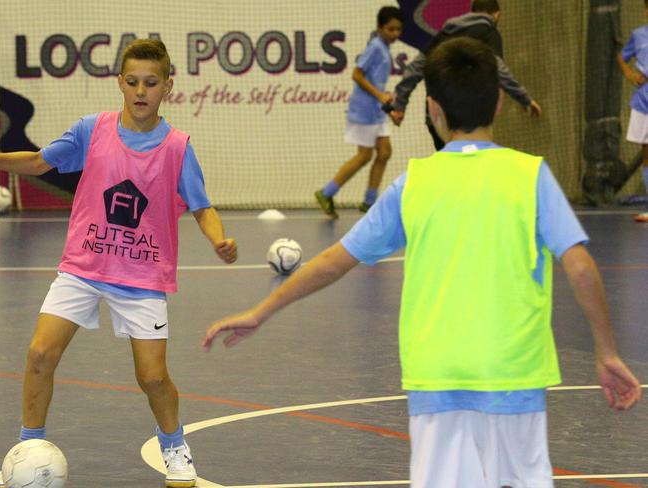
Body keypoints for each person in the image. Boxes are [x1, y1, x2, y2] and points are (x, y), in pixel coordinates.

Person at [203, 38, 641, 487]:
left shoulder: (414, 183)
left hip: (437, 380)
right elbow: (582, 267)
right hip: (515, 378)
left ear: (432, 109)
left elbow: (335, 261)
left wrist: (261, 311)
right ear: (498, 103)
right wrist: (605, 351)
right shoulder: (531, 175)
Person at [0, 39, 237, 488]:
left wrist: (219, 239)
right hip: (83, 267)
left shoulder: (178, 147)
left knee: (152, 377)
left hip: (142, 276)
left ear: (168, 86)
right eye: (132, 82)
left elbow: (203, 206)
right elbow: (37, 161)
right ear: (119, 83)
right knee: (39, 353)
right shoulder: (94, 129)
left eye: (151, 83)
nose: (141, 91)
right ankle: (28, 448)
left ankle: (175, 448)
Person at [387, 0, 541, 150]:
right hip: (469, 119)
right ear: (497, 15)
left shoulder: (442, 35)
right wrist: (524, 98)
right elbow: (499, 69)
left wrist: (399, 104)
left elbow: (413, 70)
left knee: (450, 167)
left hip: (438, 119)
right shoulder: (488, 33)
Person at [314, 6, 403, 218]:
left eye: (398, 29)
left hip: (377, 111)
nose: (395, 34)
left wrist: (388, 106)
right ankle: (326, 193)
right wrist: (380, 97)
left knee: (385, 152)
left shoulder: (384, 47)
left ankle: (369, 202)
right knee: (364, 155)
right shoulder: (375, 47)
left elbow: (376, 84)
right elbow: (357, 75)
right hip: (364, 110)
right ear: (380, 28)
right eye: (390, 29)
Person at [617, 0, 648, 222]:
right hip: (643, 103)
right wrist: (630, 75)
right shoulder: (638, 35)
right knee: (647, 153)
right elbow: (621, 56)